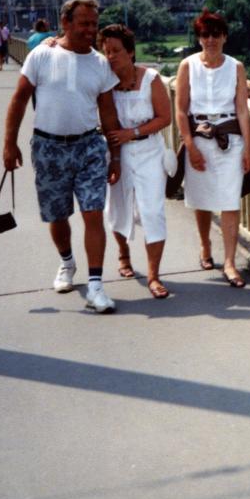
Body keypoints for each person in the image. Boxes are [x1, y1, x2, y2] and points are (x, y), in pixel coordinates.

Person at [2, 0, 122, 313]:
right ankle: (67, 263)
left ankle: (96, 286)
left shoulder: (100, 64)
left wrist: (116, 156)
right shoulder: (42, 55)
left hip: (89, 147)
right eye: (84, 23)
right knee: (57, 215)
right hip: (48, 147)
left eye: (94, 24)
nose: (90, 30)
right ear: (65, 23)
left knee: (93, 213)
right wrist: (9, 143)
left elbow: (108, 114)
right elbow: (19, 100)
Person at [175, 9, 250, 288]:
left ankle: (230, 262)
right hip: (198, 139)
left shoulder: (236, 67)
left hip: (230, 139)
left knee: (231, 200)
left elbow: (243, 110)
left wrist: (248, 148)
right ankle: (205, 244)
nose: (210, 40)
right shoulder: (187, 66)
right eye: (205, 35)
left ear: (224, 37)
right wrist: (189, 145)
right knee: (201, 198)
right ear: (199, 39)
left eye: (215, 34)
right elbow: (181, 111)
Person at [99, 24, 173, 298]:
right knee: (117, 208)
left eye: (116, 51)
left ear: (130, 52)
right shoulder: (103, 83)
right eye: (106, 51)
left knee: (152, 211)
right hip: (117, 152)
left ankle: (154, 275)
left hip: (149, 151)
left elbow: (164, 118)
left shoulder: (150, 79)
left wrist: (134, 132)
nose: (111, 57)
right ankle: (123, 254)